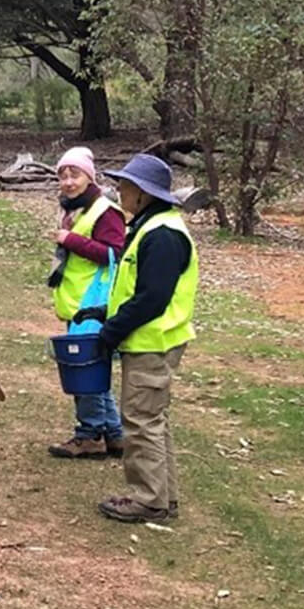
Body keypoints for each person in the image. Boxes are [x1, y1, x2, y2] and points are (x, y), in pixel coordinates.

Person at [93, 154, 198, 524]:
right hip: (150, 339)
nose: (119, 192)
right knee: (153, 419)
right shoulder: (150, 226)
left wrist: (111, 332)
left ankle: (148, 499)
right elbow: (135, 288)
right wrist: (103, 313)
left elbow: (152, 298)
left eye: (124, 186)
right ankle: (162, 496)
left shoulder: (163, 234)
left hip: (153, 341)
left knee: (140, 421)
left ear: (142, 193)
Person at [45, 146, 127, 459]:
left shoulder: (104, 210)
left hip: (93, 303)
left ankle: (90, 433)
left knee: (84, 367)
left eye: (74, 174)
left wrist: (70, 241)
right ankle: (115, 434)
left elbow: (114, 252)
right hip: (77, 300)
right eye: (62, 175)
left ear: (89, 177)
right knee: (93, 367)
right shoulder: (74, 209)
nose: (67, 182)